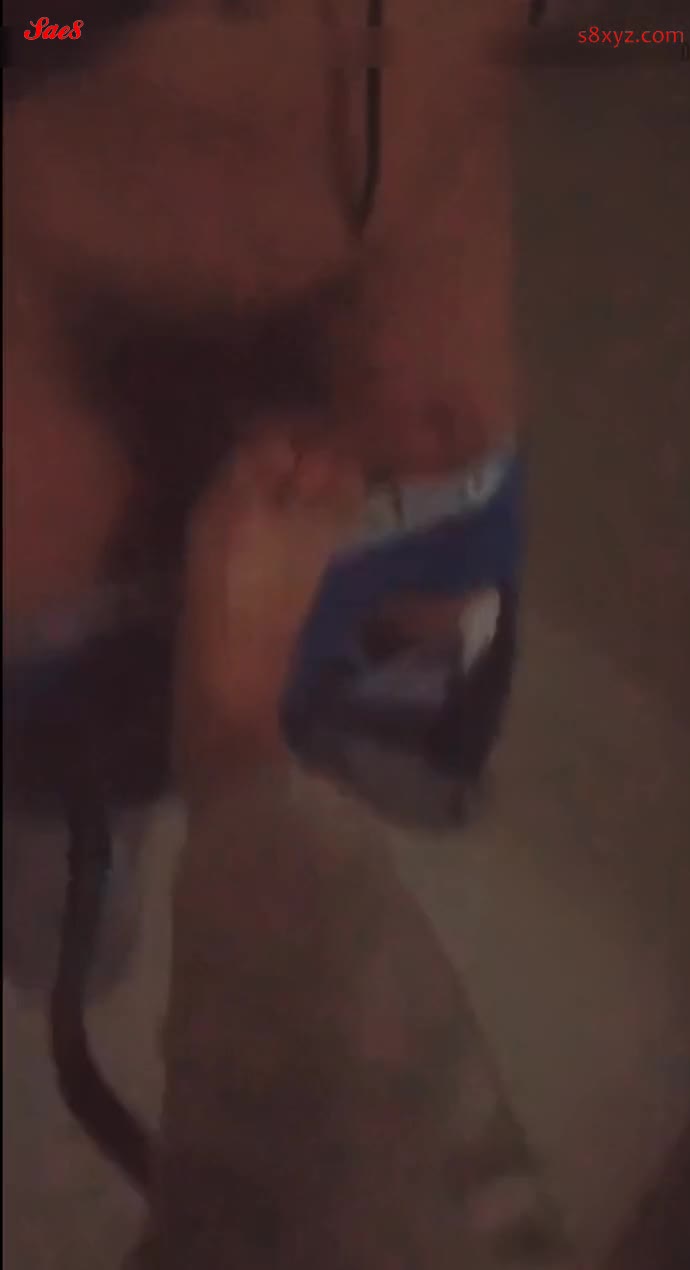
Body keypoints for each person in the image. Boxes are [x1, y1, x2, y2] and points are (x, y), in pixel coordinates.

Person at [4, 2, 580, 1264]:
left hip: (381, 539)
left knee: (99, 819)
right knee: (61, 841)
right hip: (74, 616)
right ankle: (74, 923)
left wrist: (230, 741)